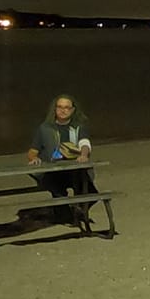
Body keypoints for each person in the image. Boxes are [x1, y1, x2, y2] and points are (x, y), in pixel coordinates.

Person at [27, 93, 94, 225]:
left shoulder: (78, 127)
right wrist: (34, 158)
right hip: (53, 171)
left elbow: (84, 143)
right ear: (54, 109)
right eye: (59, 107)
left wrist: (84, 155)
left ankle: (79, 209)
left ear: (73, 110)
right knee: (55, 187)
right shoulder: (45, 128)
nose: (63, 110)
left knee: (89, 189)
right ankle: (64, 213)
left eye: (67, 107)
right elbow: (32, 151)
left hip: (74, 170)